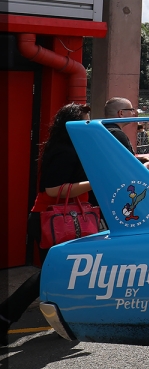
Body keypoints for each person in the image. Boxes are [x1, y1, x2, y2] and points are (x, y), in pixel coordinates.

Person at [0, 104, 95, 329]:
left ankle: (63, 321)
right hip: (53, 219)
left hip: (57, 218)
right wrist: (94, 181)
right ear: (70, 123)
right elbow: (52, 189)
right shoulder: (65, 151)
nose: (88, 124)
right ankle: (4, 315)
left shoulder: (67, 147)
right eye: (85, 120)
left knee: (59, 273)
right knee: (54, 273)